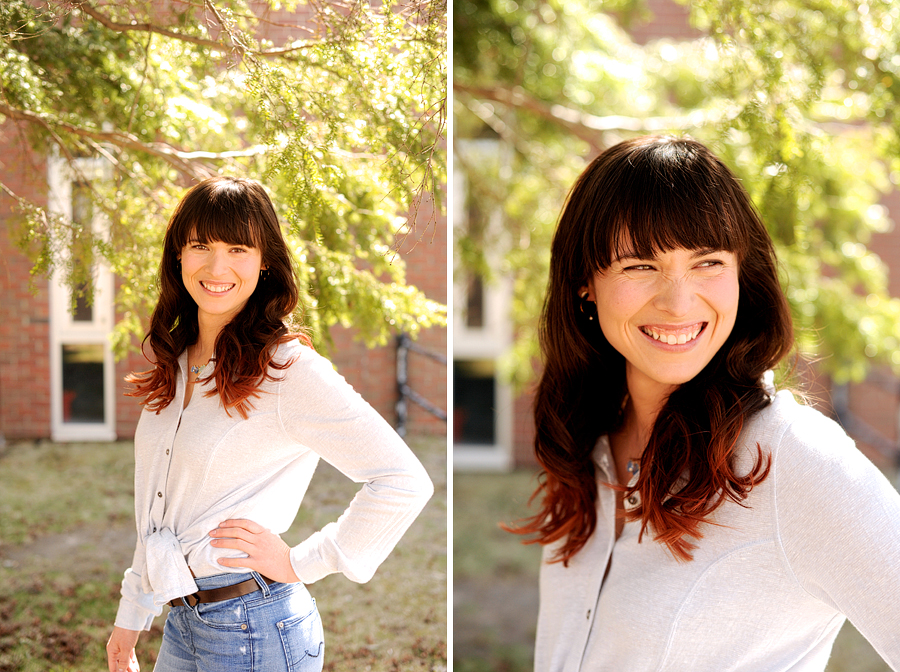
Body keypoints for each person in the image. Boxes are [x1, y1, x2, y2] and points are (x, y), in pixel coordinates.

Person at [514, 136, 900, 671]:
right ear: (585, 283)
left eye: (708, 262)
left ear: (744, 273)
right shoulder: (591, 442)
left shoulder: (794, 457)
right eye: (638, 266)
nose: (678, 302)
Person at [105, 176, 434, 672]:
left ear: (264, 263)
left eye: (238, 248)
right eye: (200, 246)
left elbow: (402, 480)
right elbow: (158, 512)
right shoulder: (175, 362)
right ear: (178, 255)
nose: (217, 267)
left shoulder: (286, 369)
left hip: (254, 625)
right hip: (183, 621)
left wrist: (302, 562)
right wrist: (131, 616)